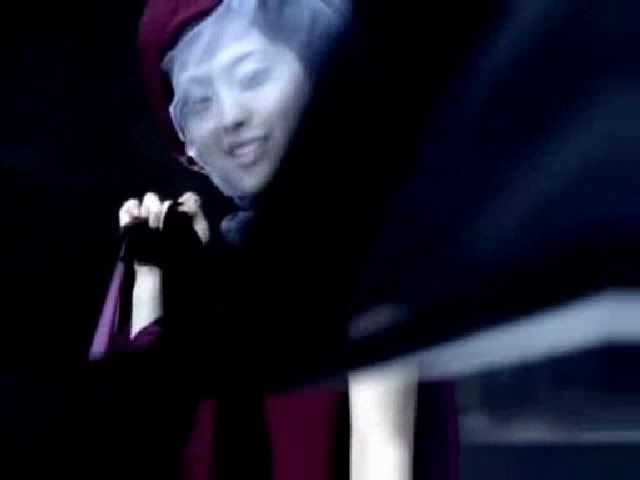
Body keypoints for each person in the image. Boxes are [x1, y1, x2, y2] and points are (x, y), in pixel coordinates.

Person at [91, 1, 459, 479]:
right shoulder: (221, 267)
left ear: (317, 79)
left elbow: (382, 453)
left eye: (253, 76)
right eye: (199, 102)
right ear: (188, 146)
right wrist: (151, 286)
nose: (230, 117)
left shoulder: (371, 251)